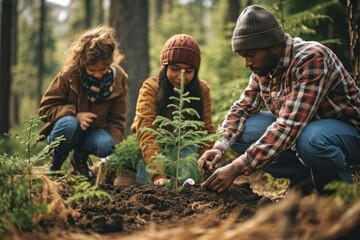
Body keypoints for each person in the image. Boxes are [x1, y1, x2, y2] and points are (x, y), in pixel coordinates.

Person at [197, 5, 360, 195]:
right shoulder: (265, 67)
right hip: (305, 131)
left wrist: (236, 168)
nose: (247, 63)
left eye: (251, 55)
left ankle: (337, 197)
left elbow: (289, 126)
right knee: (242, 131)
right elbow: (241, 109)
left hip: (348, 132)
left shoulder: (313, 59)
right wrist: (219, 146)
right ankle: (304, 181)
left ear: (273, 45)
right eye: (243, 56)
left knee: (313, 139)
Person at [38, 25, 128, 179]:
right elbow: (45, 110)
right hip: (67, 129)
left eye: (103, 69)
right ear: (82, 62)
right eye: (92, 70)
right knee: (69, 124)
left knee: (105, 144)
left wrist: (114, 145)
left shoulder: (118, 78)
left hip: (95, 133)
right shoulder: (69, 76)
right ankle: (56, 162)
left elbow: (117, 119)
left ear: (110, 61)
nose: (98, 75)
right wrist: (75, 114)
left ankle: (80, 158)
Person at [131, 34, 215, 186]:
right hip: (155, 146)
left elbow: (206, 130)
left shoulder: (202, 90)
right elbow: (147, 131)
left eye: (188, 71)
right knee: (146, 183)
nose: (181, 76)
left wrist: (207, 163)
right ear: (165, 66)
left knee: (187, 178)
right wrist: (158, 175)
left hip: (185, 145)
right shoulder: (151, 88)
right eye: (174, 69)